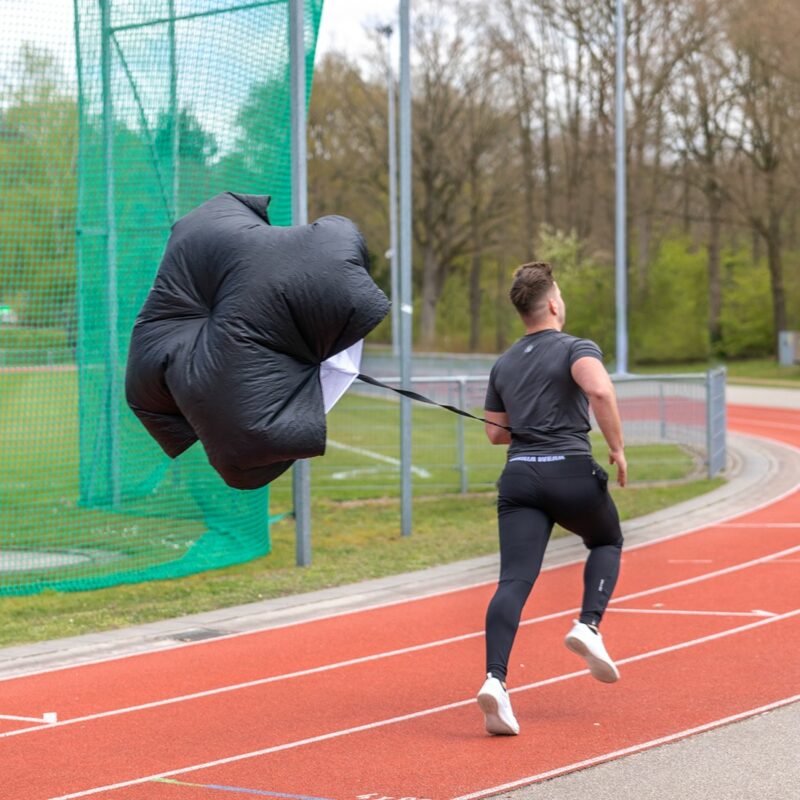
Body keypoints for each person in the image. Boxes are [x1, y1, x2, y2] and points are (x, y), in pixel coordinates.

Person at [476, 261, 627, 736]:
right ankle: (587, 624)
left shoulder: (504, 362)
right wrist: (618, 448)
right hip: (568, 472)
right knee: (606, 541)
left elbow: (494, 435)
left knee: (513, 581)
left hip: (519, 478)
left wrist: (524, 420)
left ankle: (495, 682)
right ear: (554, 304)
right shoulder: (575, 348)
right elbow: (599, 389)